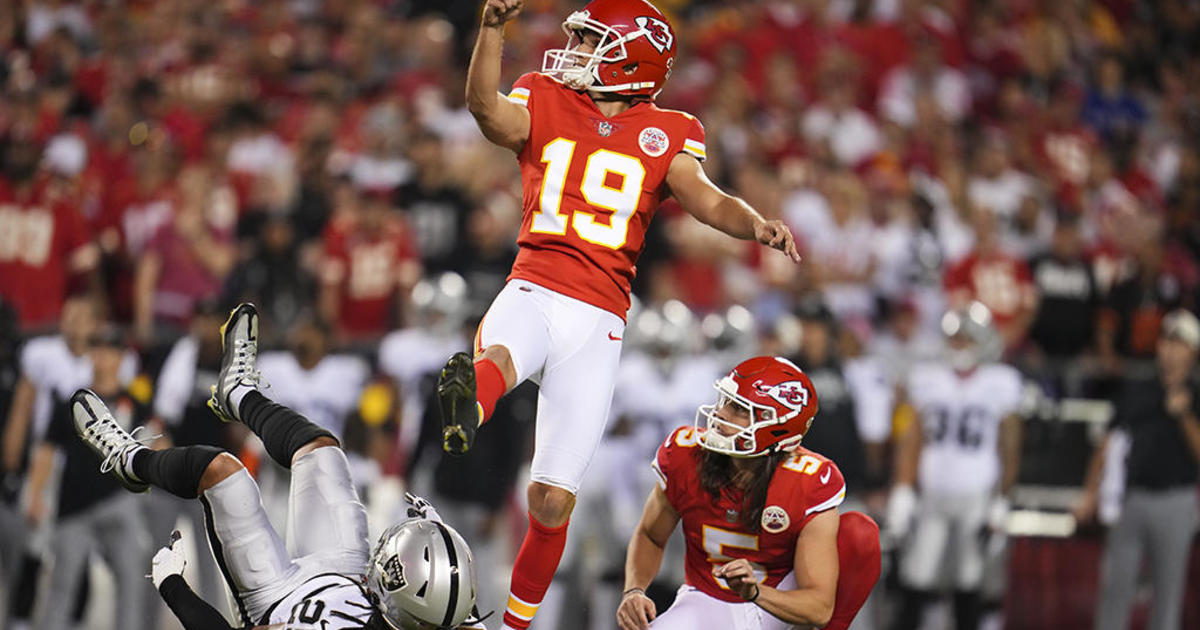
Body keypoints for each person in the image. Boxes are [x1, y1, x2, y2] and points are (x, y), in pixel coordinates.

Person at [440, 2, 801, 628]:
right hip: (534, 283)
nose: (573, 51)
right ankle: (465, 407)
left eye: (589, 41)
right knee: (496, 358)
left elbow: (706, 199)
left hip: (601, 319)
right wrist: (491, 31)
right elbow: (486, 111)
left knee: (552, 501)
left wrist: (754, 225)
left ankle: (515, 625)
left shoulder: (670, 130)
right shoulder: (544, 95)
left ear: (630, 59)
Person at [73, 303, 484, 629]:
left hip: (277, 599)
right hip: (344, 573)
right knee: (321, 448)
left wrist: (174, 587)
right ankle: (239, 394)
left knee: (221, 471)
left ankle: (130, 460)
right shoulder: (444, 612)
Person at [618, 356, 881, 630]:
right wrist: (634, 590)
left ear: (776, 424)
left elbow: (819, 607)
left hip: (778, 603)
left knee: (858, 534)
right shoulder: (686, 455)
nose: (720, 414)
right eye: (725, 401)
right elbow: (650, 534)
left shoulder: (809, 481)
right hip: (706, 598)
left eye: (739, 409)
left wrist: (755, 592)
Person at [887, 303, 1023, 630]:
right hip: (933, 493)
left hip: (976, 495)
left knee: (970, 579)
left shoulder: (1001, 381)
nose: (960, 346)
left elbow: (1010, 446)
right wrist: (903, 489)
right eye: (956, 339)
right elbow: (913, 439)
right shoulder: (929, 379)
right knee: (916, 574)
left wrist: (1003, 499)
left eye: (967, 339)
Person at [1075, 308, 1200, 630]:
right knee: (1116, 587)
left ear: (1194, 352)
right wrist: (1090, 494)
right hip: (1131, 497)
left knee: (1167, 593)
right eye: (1168, 342)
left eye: (1181, 344)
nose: (1172, 351)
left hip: (1176, 500)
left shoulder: (1196, 396)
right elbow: (1107, 443)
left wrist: (1184, 414)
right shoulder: (1137, 389)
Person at [25, 325, 153, 630]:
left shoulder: (135, 402)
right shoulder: (75, 401)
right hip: (75, 505)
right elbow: (46, 449)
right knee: (61, 587)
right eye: (99, 350)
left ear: (122, 357)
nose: (105, 358)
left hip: (120, 502)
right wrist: (35, 495)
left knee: (131, 584)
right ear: (91, 355)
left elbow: (153, 446)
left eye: (112, 351)